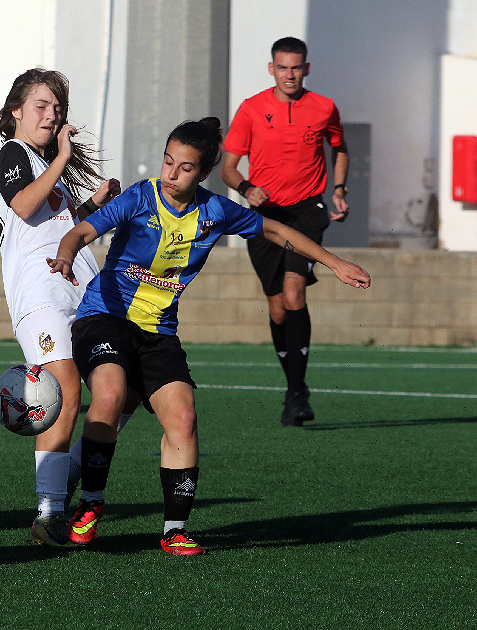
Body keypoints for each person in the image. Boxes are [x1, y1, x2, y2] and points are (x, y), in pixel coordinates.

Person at [47, 117, 370, 554]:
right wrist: (67, 255)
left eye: (184, 167)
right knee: (110, 394)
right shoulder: (140, 197)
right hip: (104, 316)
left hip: (158, 332)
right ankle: (91, 505)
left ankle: (174, 528)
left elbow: (275, 230)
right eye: (167, 161)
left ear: (203, 173)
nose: (171, 174)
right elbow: (83, 231)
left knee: (183, 417)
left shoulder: (214, 211)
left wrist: (333, 262)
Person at [0, 68, 121, 547]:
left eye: (57, 108)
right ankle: (50, 513)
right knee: (63, 385)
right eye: (41, 106)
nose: (51, 115)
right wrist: (62, 158)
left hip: (80, 288)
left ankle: (64, 475)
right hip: (39, 293)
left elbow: (54, 224)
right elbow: (24, 207)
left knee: (120, 388)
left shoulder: (50, 171)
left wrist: (93, 206)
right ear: (16, 113)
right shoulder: (13, 154)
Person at [220, 36, 350, 426]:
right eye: (283, 67)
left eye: (296, 67)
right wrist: (246, 188)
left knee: (294, 291)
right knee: (278, 308)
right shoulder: (252, 109)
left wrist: (339, 189)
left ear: (306, 69)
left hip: (308, 211)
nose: (290, 74)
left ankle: (297, 393)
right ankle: (293, 388)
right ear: (271, 68)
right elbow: (228, 168)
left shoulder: (324, 107)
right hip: (264, 216)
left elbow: (340, 147)